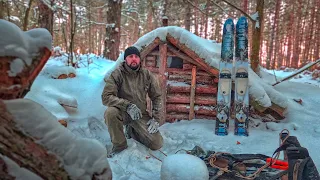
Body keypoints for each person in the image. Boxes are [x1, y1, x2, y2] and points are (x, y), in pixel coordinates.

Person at [102, 46, 163, 157]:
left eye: (136, 57)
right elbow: (106, 97)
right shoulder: (117, 74)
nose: (134, 59)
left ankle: (132, 131)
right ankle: (119, 145)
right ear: (126, 59)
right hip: (122, 112)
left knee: (157, 144)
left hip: (140, 114)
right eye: (130, 56)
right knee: (110, 113)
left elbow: (157, 97)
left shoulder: (147, 75)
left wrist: (156, 118)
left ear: (140, 59)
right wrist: (127, 106)